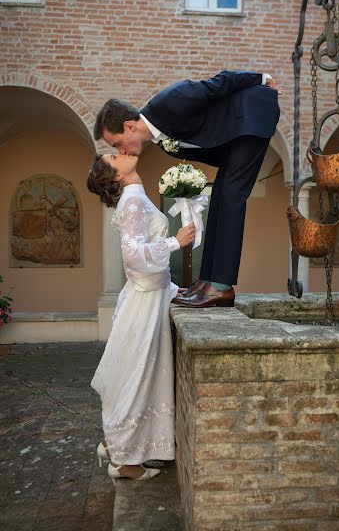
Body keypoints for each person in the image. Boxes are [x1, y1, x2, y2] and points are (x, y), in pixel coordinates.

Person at [93, 70, 281, 308]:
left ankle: (221, 287)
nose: (121, 151)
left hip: (250, 118)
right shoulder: (163, 142)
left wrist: (262, 79)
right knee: (221, 196)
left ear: (129, 126)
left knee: (231, 197)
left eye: (117, 144)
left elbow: (219, 83)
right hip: (233, 139)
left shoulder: (167, 103)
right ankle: (208, 280)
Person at [87, 153, 195, 483]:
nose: (123, 153)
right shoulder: (133, 200)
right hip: (145, 301)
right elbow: (133, 257)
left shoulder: (136, 194)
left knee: (131, 376)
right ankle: (123, 463)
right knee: (135, 379)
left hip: (150, 295)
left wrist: (172, 288)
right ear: (116, 177)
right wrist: (176, 242)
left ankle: (115, 442)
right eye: (115, 156)